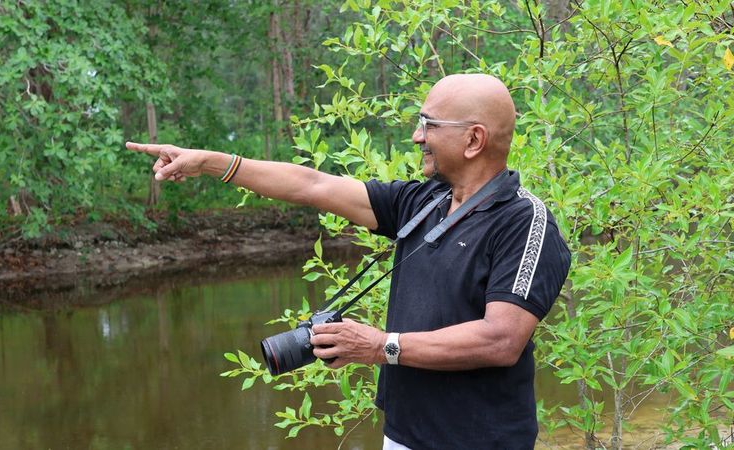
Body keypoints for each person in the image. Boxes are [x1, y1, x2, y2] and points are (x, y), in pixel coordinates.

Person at [126, 74, 571, 449]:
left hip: (478, 440)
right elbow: (313, 185)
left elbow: (500, 339)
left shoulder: (523, 221)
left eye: (428, 124)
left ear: (473, 139)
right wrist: (211, 163)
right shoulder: (424, 201)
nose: (417, 136)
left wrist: (381, 346)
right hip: (403, 434)